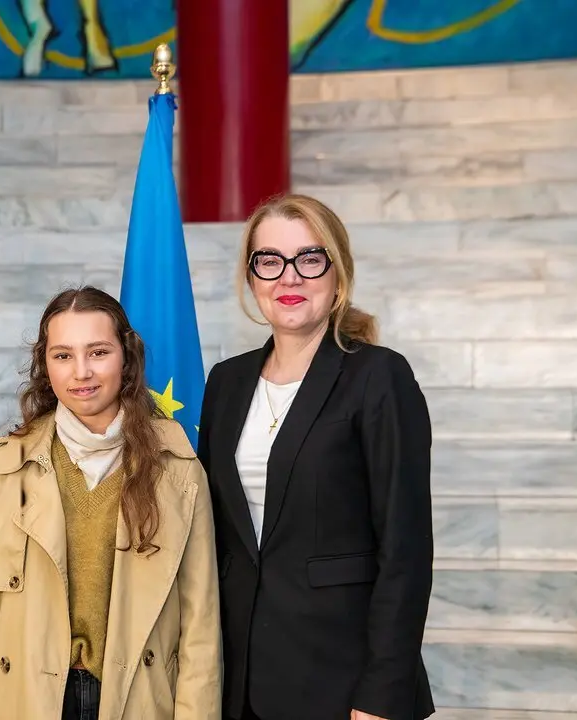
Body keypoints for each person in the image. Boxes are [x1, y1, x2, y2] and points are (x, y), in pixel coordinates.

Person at [197, 194, 435, 720]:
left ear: (338, 272)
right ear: (252, 277)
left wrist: (381, 695)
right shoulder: (227, 382)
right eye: (270, 261)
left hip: (341, 682)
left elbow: (406, 549)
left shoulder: (378, 377)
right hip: (239, 680)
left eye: (309, 258)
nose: (289, 278)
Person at [0, 286, 222, 720]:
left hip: (139, 699)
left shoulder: (179, 468)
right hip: (28, 701)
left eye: (98, 352)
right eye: (62, 355)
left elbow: (201, 625)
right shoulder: (4, 468)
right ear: (45, 365)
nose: (81, 372)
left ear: (126, 358)